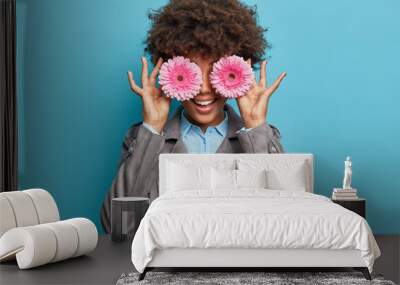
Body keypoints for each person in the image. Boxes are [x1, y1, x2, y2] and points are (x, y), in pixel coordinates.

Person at [100, 0, 287, 234]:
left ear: (237, 72)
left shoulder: (261, 136)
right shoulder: (141, 138)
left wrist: (256, 127)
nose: (204, 89)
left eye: (214, 71)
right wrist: (152, 128)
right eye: (193, 72)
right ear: (172, 71)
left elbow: (285, 220)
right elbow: (115, 227)